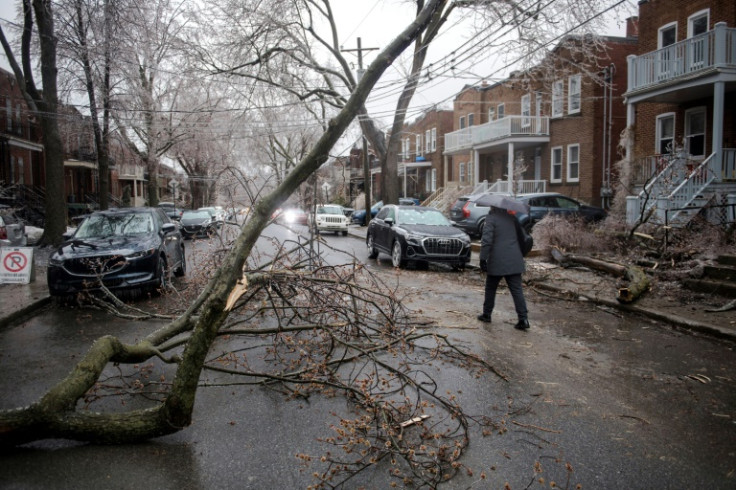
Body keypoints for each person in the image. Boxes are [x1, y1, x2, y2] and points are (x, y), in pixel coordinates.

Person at [477, 206, 530, 330]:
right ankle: (523, 319)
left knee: (490, 287)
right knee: (517, 290)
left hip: (497, 260)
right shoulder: (512, 218)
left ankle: (487, 314)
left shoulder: (491, 219)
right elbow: (522, 237)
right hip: (515, 259)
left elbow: (487, 241)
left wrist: (482, 258)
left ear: (492, 207)